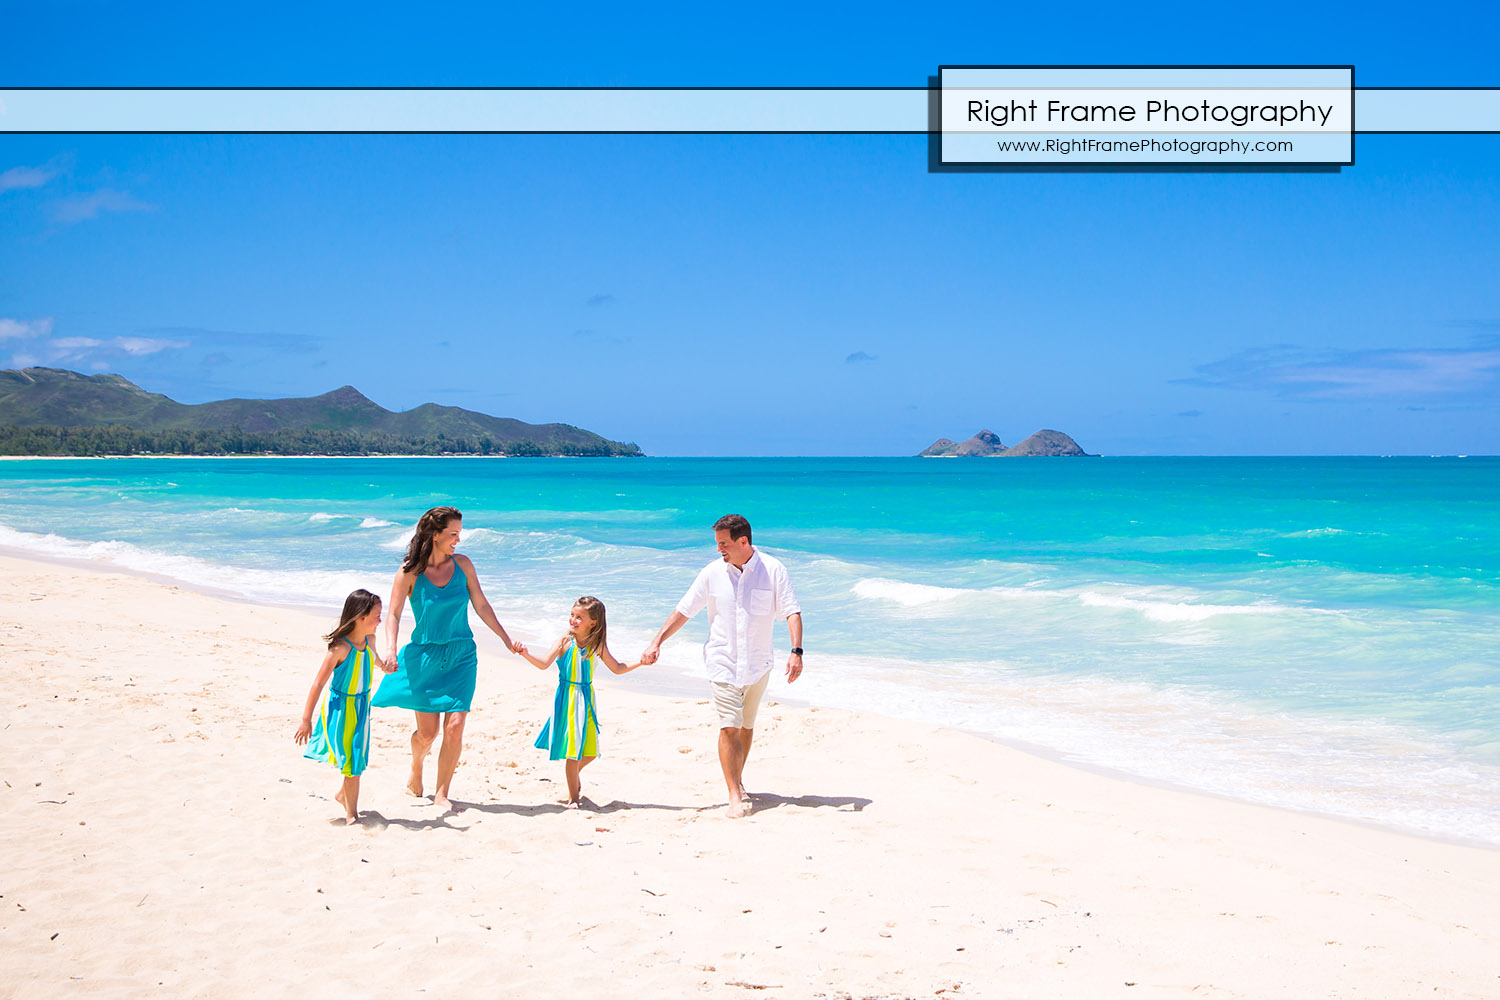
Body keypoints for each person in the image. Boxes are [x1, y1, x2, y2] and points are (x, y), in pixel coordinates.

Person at [641, 514, 803, 818]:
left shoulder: (774, 570)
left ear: (744, 542)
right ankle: (733, 794)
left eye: (723, 544)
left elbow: (792, 611)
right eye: (717, 544)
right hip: (722, 661)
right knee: (729, 726)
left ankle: (738, 781)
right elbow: (684, 610)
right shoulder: (712, 573)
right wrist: (656, 641)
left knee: (746, 727)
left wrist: (796, 651)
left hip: (758, 663)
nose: (718, 550)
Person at [371, 506, 525, 813]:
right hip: (425, 656)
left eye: (459, 534)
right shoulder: (409, 573)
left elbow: (481, 605)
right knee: (428, 733)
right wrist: (390, 648)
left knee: (455, 725)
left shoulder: (464, 565)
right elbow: (395, 614)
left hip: (461, 655)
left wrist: (505, 638)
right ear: (434, 534)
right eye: (453, 534)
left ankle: (442, 793)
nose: (458, 540)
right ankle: (417, 766)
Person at [517, 596, 643, 808]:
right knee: (573, 753)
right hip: (568, 701)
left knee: (590, 753)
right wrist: (525, 653)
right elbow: (543, 664)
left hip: (587, 701)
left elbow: (618, 668)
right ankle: (573, 798)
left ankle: (573, 777)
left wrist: (641, 661)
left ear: (593, 623)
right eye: (572, 615)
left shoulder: (596, 644)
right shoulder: (564, 642)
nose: (573, 620)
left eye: (579, 617)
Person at [294, 589, 394, 825]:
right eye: (377, 616)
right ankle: (352, 815)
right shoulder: (340, 649)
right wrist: (306, 719)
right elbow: (318, 684)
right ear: (361, 617)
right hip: (341, 709)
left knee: (356, 759)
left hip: (362, 707)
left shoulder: (370, 641)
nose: (380, 620)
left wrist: (384, 667)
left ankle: (343, 796)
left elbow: (374, 657)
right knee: (353, 761)